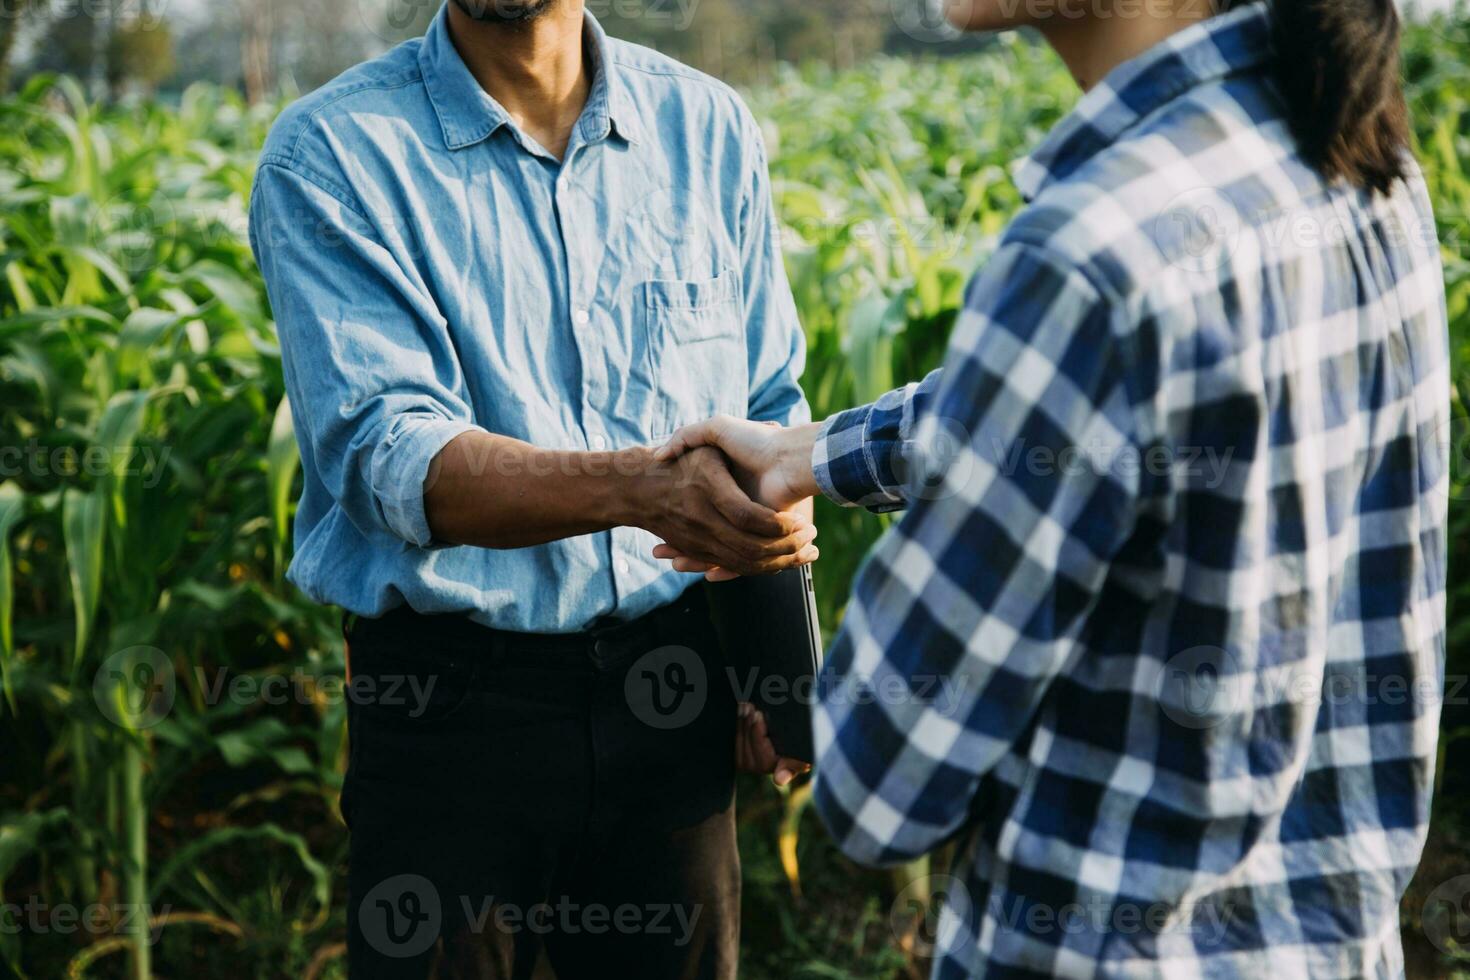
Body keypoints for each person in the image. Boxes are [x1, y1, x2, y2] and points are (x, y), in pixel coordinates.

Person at [655, 0, 1448, 975]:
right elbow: (1103, 393)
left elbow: (876, 784)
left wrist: (788, 677)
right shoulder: (1354, 155)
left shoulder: (1085, 254)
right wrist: (812, 450)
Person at [247, 0, 815, 975]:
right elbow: (388, 452)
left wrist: (773, 661)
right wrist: (641, 487)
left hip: (670, 684)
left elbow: (771, 409)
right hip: (449, 707)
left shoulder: (706, 128)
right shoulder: (333, 154)